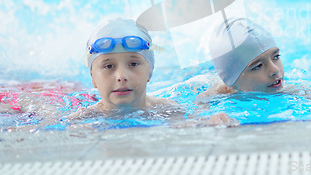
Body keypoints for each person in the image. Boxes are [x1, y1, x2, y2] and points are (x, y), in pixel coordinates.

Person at [70, 18, 237, 126]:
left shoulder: (167, 108)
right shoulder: (81, 119)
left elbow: (197, 119)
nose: (121, 76)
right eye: (108, 66)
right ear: (92, 77)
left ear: (150, 71)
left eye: (133, 63)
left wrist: (214, 121)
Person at [199, 17, 311, 122]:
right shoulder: (214, 96)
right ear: (231, 81)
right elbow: (185, 118)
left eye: (275, 56)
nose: (275, 70)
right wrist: (208, 122)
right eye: (258, 66)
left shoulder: (290, 89)